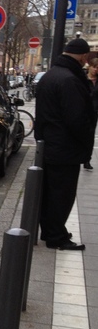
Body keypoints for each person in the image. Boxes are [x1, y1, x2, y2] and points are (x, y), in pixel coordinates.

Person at [35, 38, 96, 251]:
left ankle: (51, 231)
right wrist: (86, 141)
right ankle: (56, 236)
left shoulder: (50, 76)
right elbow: (77, 119)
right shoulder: (70, 80)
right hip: (65, 148)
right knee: (62, 194)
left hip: (50, 144)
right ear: (83, 56)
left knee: (50, 193)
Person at [86, 57, 98, 170]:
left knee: (90, 136)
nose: (96, 70)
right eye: (94, 67)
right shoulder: (82, 79)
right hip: (82, 111)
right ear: (90, 67)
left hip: (94, 112)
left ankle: (87, 160)